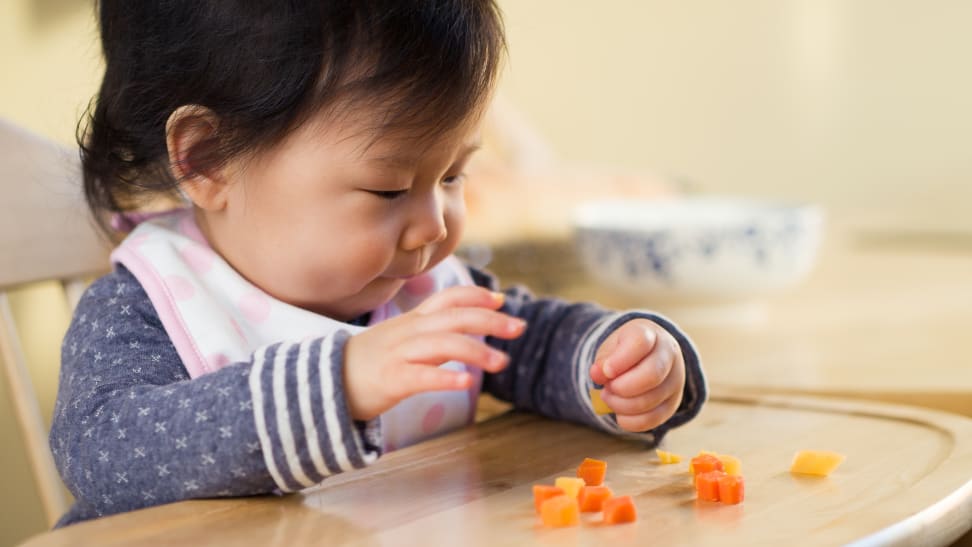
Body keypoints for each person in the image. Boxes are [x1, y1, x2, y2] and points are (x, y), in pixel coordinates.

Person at [50, 0, 707, 527]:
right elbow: (103, 452)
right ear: (208, 159)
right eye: (389, 189)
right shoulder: (150, 305)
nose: (435, 223)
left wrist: (618, 365)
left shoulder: (420, 286)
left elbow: (530, 346)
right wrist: (338, 384)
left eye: (453, 174)